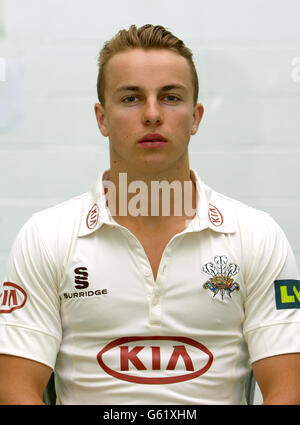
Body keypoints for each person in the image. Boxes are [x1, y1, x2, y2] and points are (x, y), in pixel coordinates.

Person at [0, 24, 300, 405]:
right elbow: (14, 390)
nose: (153, 114)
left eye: (171, 97)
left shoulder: (257, 236)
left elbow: (288, 391)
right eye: (131, 99)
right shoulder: (47, 236)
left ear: (195, 117)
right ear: (102, 118)